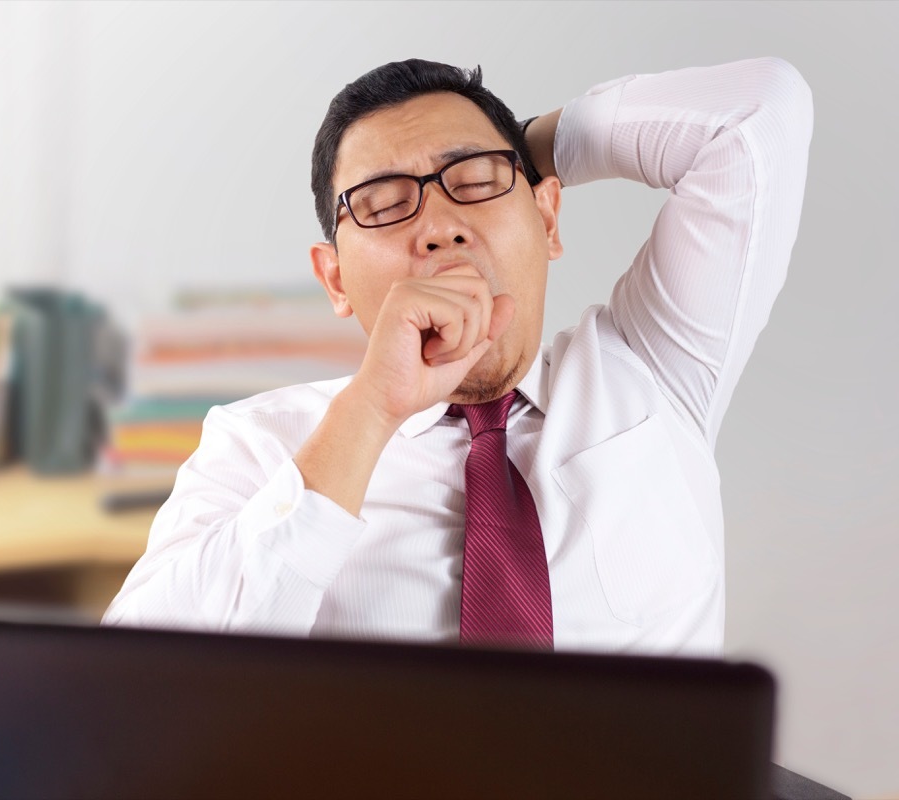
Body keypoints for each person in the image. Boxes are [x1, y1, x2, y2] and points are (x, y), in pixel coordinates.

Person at [103, 57, 812, 655]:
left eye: (473, 183)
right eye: (384, 205)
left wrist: (525, 147)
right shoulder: (257, 446)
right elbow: (134, 694)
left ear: (547, 218)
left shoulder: (654, 368)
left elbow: (757, 114)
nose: (440, 228)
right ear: (336, 279)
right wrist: (372, 411)